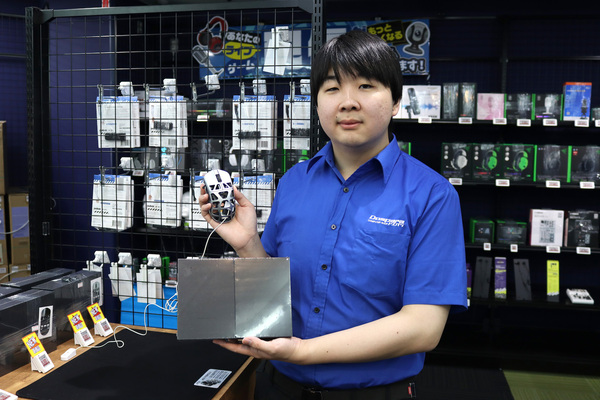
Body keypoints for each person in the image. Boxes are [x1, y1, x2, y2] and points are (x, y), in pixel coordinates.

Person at [199, 29, 467, 400]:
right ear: (317, 103)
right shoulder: (294, 182)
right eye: (332, 88)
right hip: (278, 387)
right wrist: (248, 244)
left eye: (366, 86)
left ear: (395, 102)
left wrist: (303, 351)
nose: (348, 102)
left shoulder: (432, 195)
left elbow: (423, 328)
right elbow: (275, 295)